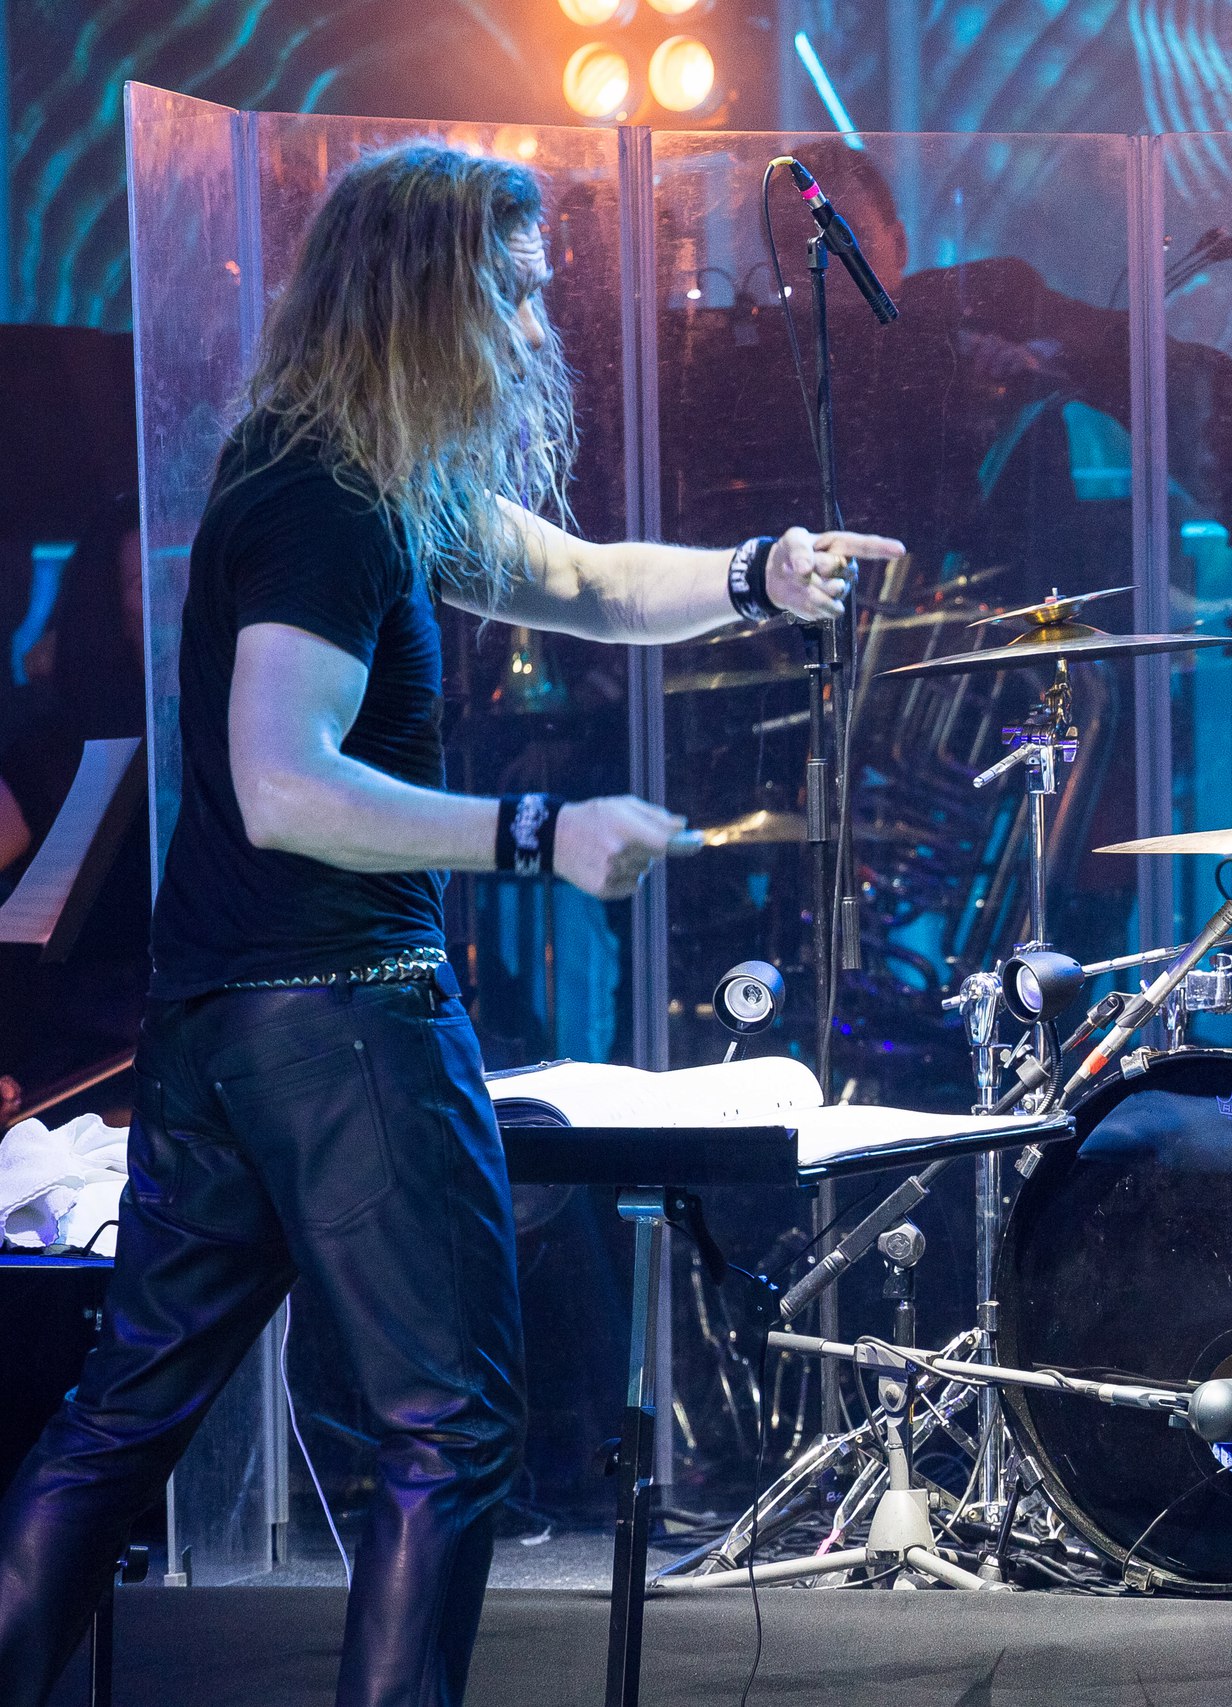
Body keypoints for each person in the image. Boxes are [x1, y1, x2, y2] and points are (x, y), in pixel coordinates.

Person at [0, 143, 903, 1707]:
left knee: (123, 1418)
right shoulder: (325, 502)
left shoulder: (350, 469)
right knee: (448, 1425)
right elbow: (282, 782)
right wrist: (539, 832)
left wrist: (761, 574)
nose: (537, 323)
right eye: (516, 290)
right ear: (427, 295)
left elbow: (587, 584)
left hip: (226, 1022)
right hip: (339, 1015)